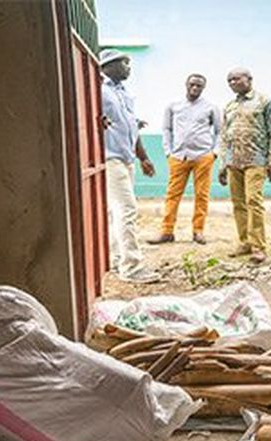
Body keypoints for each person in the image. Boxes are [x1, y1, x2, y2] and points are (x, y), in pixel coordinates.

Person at [100, 48, 160, 283]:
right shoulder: (99, 91)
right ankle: (132, 267)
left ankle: (117, 259)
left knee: (118, 212)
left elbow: (132, 127)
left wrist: (143, 157)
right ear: (107, 66)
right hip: (110, 157)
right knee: (127, 210)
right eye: (123, 63)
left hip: (126, 158)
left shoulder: (124, 93)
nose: (128, 67)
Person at [217, 68, 271, 265]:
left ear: (249, 79)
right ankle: (244, 242)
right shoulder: (229, 105)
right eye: (229, 80)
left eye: (236, 79)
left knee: (253, 201)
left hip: (256, 160)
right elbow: (223, 136)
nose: (232, 83)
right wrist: (222, 164)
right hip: (234, 161)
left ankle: (258, 247)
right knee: (238, 203)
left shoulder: (265, 102)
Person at [148, 74, 222, 246]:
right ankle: (167, 231)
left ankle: (198, 231)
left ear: (203, 88)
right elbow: (166, 129)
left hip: (203, 156)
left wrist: (214, 153)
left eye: (199, 86)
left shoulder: (210, 107)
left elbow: (219, 131)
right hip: (179, 156)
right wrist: (168, 152)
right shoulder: (173, 106)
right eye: (192, 85)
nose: (195, 88)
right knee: (173, 194)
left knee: (201, 195)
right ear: (186, 85)